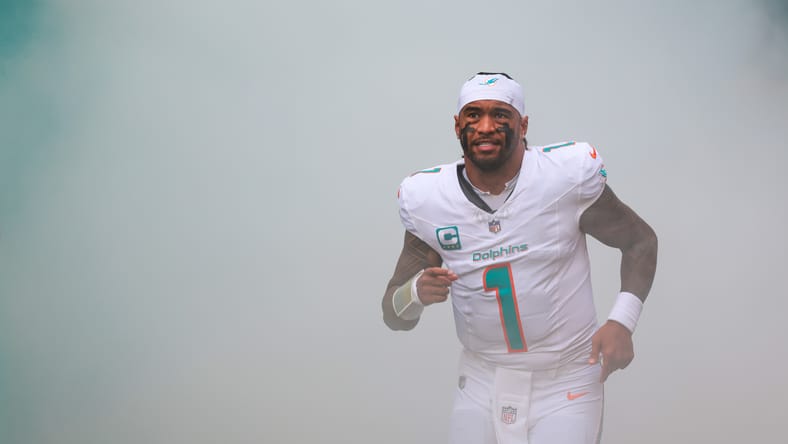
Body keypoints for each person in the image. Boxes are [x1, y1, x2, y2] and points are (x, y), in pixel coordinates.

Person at [381, 72, 658, 444]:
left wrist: (622, 321)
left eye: (500, 115)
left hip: (566, 379)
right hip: (481, 381)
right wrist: (414, 292)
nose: (485, 127)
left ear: (523, 124)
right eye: (474, 115)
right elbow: (393, 313)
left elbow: (640, 241)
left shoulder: (563, 179)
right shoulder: (429, 200)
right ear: (457, 125)